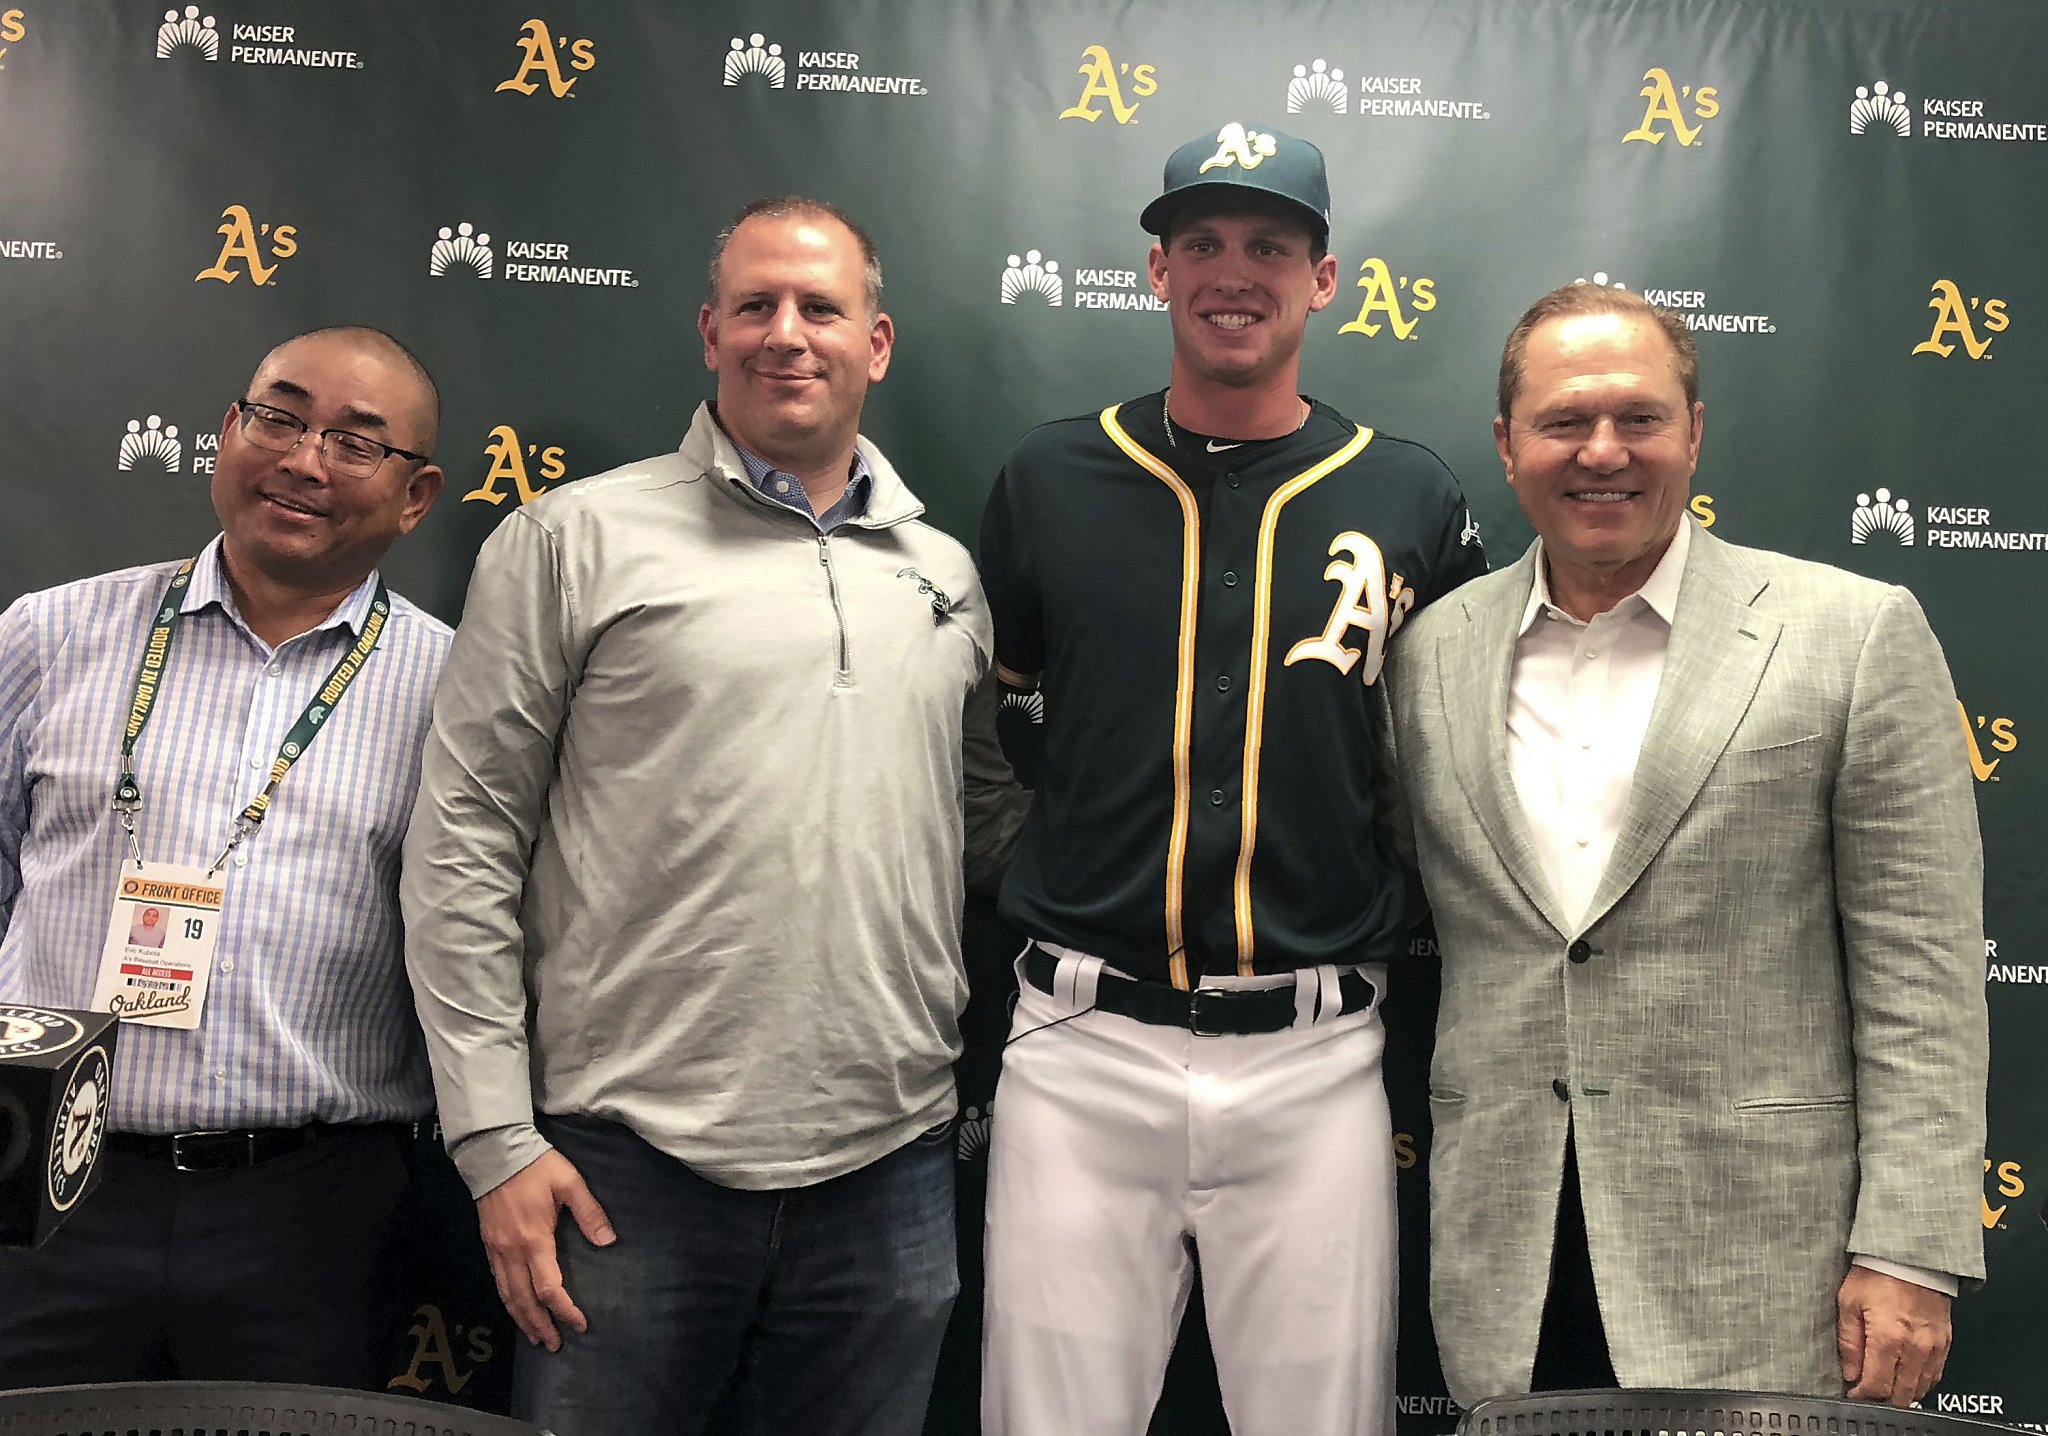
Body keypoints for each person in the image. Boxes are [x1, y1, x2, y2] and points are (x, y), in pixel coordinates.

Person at [402, 195, 1026, 1436]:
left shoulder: (944, 574)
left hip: (890, 1169)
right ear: (708, 330)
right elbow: (462, 844)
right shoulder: (569, 538)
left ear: (878, 341)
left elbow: (983, 826)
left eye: (819, 307)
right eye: (755, 305)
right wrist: (492, 1140)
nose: (784, 334)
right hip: (621, 1174)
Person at [1383, 282, 1988, 1405]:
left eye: (1638, 417)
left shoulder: (1851, 634)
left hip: (1768, 1264)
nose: (1601, 451)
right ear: (1508, 444)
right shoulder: (1427, 655)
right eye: (1564, 421)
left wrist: (1907, 1250)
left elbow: (1925, 971)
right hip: (1506, 1256)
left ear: (1694, 433)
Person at [976, 121, 1485, 1436]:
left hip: (1314, 1058)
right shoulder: (1048, 476)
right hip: (1080, 1047)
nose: (1232, 271)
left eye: (1271, 244)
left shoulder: (1410, 497)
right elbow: (985, 724)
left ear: (1324, 279)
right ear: (1157, 271)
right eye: (1200, 241)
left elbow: (1454, 768)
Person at [0, 326, 449, 1386]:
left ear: (417, 495)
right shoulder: (49, 634)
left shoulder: (459, 690)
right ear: (227, 433)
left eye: (353, 441)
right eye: (279, 417)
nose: (301, 459)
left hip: (310, 1208)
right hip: (48, 1186)